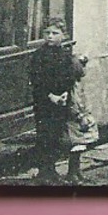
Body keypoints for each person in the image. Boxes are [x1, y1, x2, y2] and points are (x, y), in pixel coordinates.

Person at [27, 16, 81, 185]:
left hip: (61, 103)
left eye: (55, 33)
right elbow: (37, 81)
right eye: (47, 33)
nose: (50, 36)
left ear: (63, 36)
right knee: (45, 135)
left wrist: (65, 94)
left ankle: (52, 170)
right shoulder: (39, 56)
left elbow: (69, 77)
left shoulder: (65, 56)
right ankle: (45, 171)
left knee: (57, 135)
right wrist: (51, 96)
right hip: (44, 102)